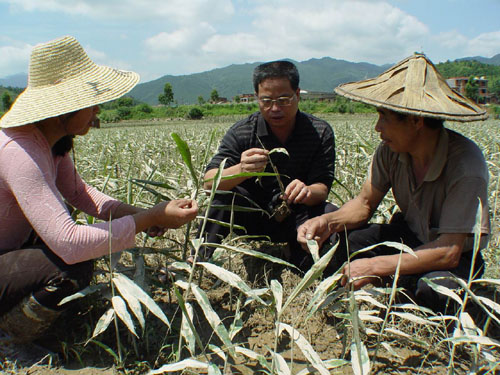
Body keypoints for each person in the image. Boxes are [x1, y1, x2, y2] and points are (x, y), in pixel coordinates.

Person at [0, 36, 198, 346]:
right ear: (65, 107)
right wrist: (147, 219)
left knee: (73, 249)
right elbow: (69, 243)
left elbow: (80, 194)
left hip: (9, 249)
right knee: (69, 264)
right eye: (91, 102)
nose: (97, 111)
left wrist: (144, 214)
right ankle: (9, 341)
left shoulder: (51, 143)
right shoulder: (19, 151)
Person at [297, 53, 490, 313]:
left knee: (435, 290)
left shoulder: (465, 166)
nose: (378, 127)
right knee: (343, 245)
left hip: (451, 256)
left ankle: (403, 289)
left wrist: (376, 266)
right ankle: (392, 281)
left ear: (415, 120)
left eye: (384, 117)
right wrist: (326, 223)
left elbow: (449, 251)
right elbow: (365, 204)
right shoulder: (390, 151)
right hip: (409, 238)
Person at [199, 60, 336, 269]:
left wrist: (307, 191)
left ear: (297, 95)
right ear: (256, 98)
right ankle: (196, 258)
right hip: (252, 217)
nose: (275, 108)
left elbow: (322, 188)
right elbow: (209, 182)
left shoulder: (319, 132)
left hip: (297, 215)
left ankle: (304, 257)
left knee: (331, 214)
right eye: (266, 100)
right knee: (222, 198)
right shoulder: (242, 132)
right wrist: (242, 170)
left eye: (283, 100)